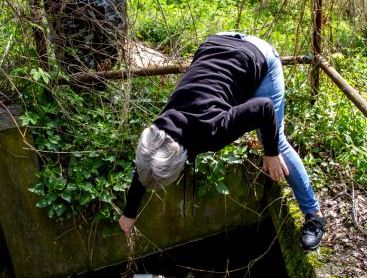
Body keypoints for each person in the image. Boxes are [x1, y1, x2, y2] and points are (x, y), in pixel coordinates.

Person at [119, 32, 325, 250]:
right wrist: (129, 213)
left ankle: (314, 216)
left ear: (180, 161)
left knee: (273, 139)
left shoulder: (213, 131)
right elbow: (148, 163)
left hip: (258, 55)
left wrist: (271, 153)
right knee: (249, 112)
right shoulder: (158, 131)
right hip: (217, 42)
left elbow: (264, 108)